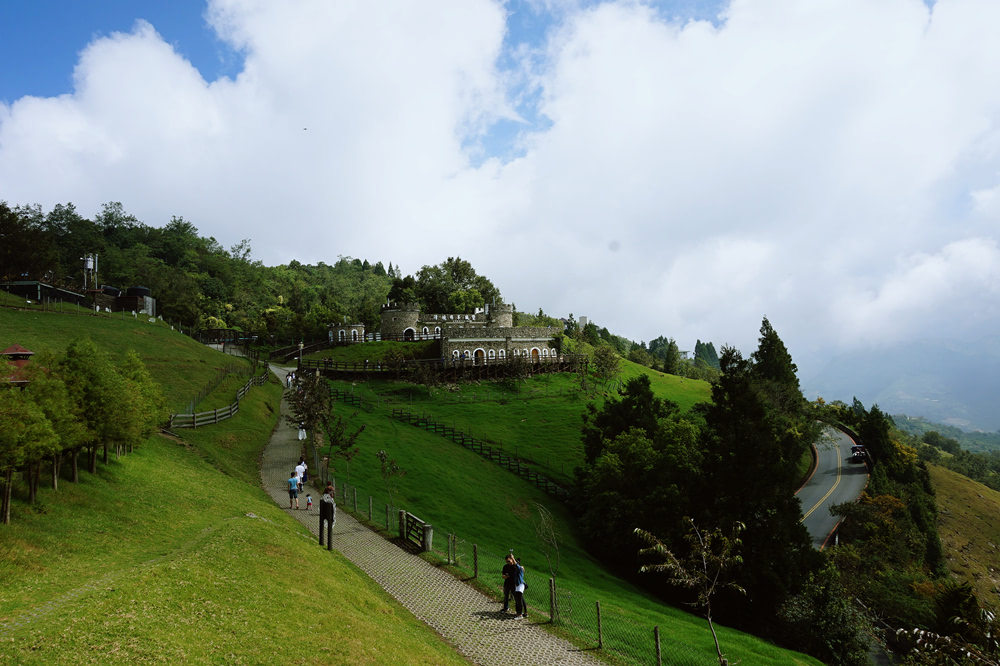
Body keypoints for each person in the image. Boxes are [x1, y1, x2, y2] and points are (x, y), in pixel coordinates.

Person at [511, 555, 528, 619]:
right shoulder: (517, 570)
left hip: (520, 585)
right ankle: (525, 613)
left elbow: (516, 565)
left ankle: (519, 614)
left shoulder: (520, 568)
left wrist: (512, 558)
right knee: (521, 599)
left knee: (519, 600)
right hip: (518, 585)